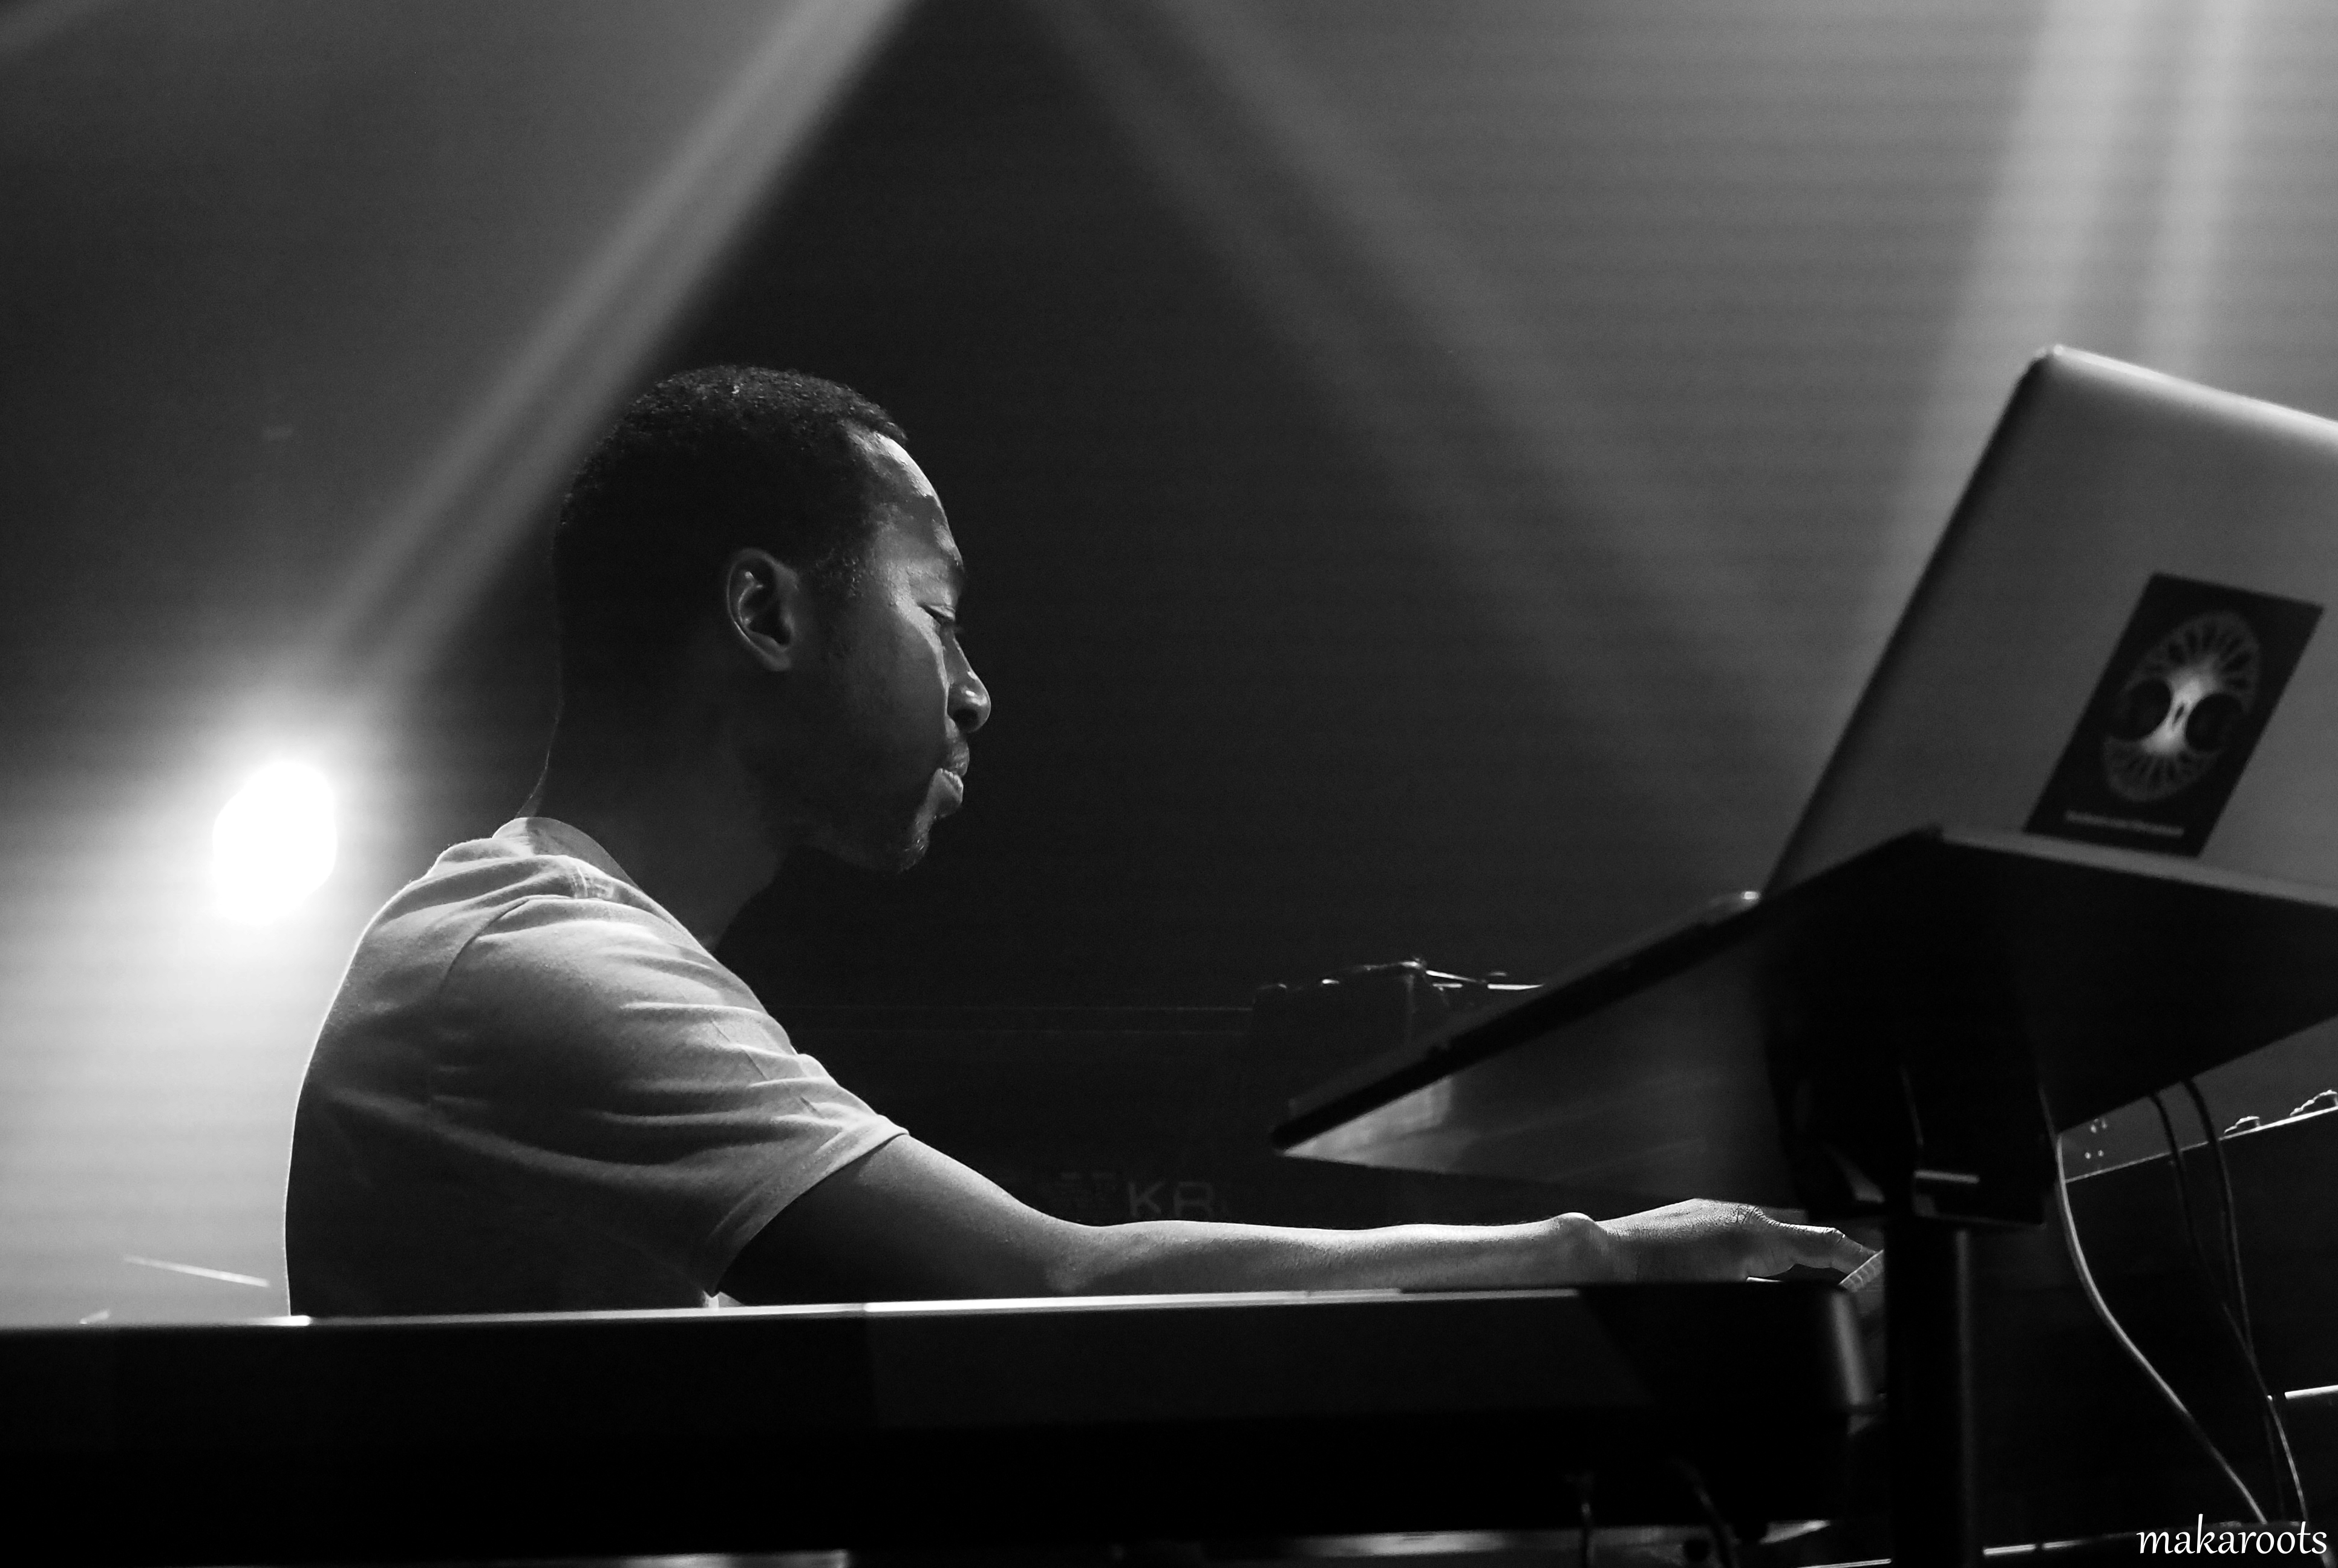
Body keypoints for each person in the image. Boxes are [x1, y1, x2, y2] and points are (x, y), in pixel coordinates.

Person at [284, 365, 1869, 1315]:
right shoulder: (537, 965)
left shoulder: (542, 949)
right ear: (765, 612)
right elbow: (1049, 1289)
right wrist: (1614, 1259)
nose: (976, 691)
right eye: (939, 616)